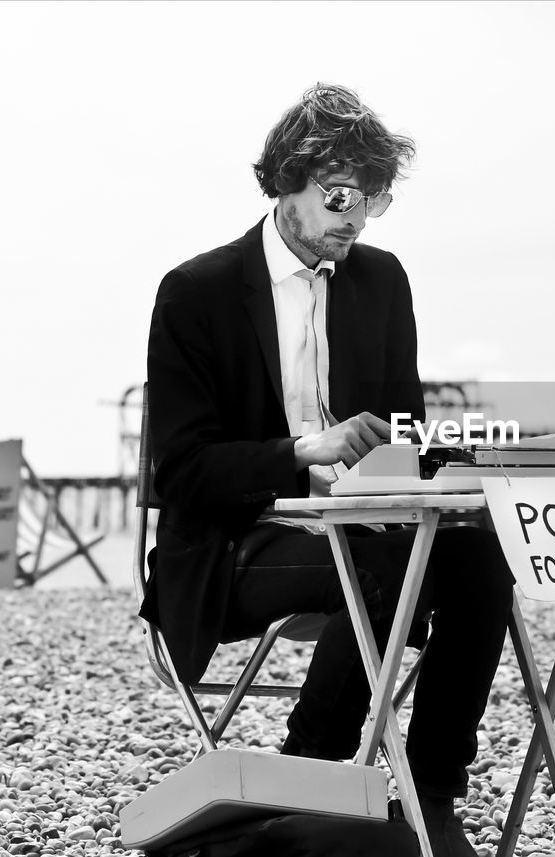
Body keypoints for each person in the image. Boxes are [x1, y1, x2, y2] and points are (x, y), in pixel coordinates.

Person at [140, 83, 513, 857]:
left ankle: (434, 792)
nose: (356, 217)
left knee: (483, 552)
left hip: (365, 524)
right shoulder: (196, 293)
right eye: (341, 195)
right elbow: (180, 472)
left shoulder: (382, 281)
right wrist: (300, 452)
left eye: (372, 199)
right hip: (236, 542)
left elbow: (400, 433)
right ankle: (312, 773)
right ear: (289, 181)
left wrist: (442, 472)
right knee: (377, 564)